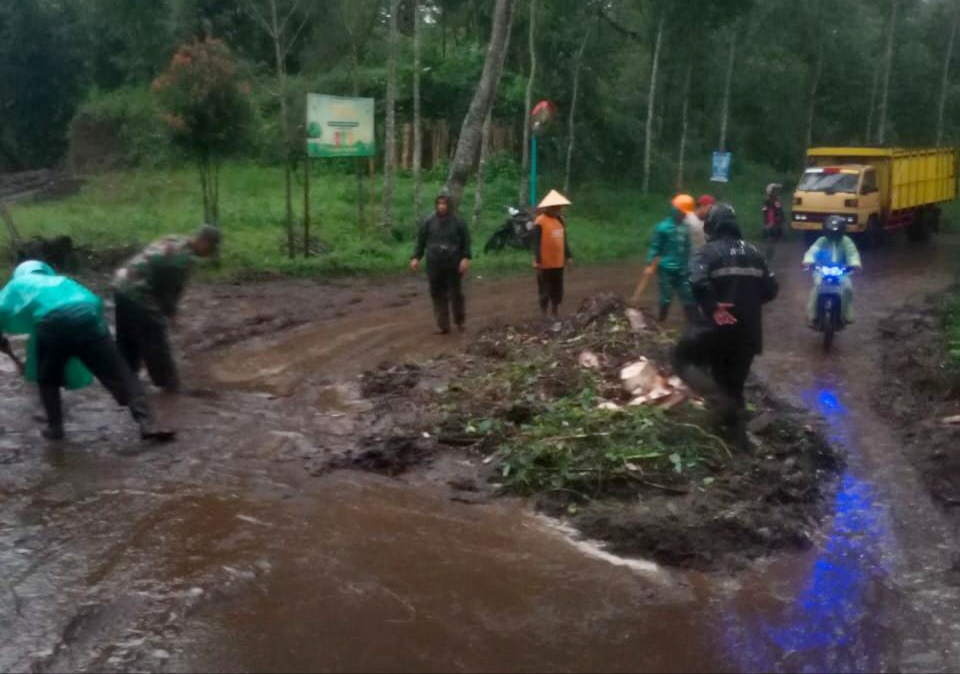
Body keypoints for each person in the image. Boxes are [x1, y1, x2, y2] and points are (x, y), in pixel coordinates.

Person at [0, 260, 174, 441]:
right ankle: (147, 423)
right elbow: (94, 303)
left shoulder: (17, 285)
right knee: (119, 373)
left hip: (53, 323)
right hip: (89, 317)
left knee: (48, 379)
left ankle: (55, 428)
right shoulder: (63, 281)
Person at [672, 203, 779, 444]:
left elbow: (697, 280)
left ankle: (720, 406)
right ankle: (737, 439)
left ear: (712, 227)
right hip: (749, 334)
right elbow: (772, 290)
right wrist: (748, 303)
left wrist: (714, 308)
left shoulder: (706, 252)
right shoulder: (755, 252)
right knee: (736, 383)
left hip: (717, 331)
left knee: (680, 357)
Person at [113, 225, 221, 393]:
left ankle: (124, 378)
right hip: (138, 292)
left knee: (128, 337)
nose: (207, 254)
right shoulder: (181, 261)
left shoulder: (174, 238)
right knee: (155, 338)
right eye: (210, 249)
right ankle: (168, 384)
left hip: (121, 285)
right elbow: (168, 294)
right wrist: (171, 316)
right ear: (204, 242)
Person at [411, 194, 472, 335]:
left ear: (449, 205)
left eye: (444, 204)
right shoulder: (429, 222)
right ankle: (442, 325)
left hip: (453, 263)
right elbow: (421, 241)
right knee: (437, 294)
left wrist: (465, 259)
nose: (441, 206)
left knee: (456, 294)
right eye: (439, 203)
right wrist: (416, 257)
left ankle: (459, 321)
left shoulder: (458, 222)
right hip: (434, 263)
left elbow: (466, 242)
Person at [645, 194, 698, 323]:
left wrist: (693, 263)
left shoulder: (685, 228)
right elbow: (655, 247)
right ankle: (660, 322)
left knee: (689, 295)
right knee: (666, 297)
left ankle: (695, 325)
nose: (684, 216)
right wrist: (649, 264)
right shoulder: (663, 228)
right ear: (675, 210)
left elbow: (688, 248)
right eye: (682, 213)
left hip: (683, 269)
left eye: (686, 213)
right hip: (666, 269)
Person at [802, 215, 862, 327]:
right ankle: (812, 315)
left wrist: (855, 264)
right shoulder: (821, 241)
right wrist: (808, 261)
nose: (834, 235)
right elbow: (812, 251)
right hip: (822, 271)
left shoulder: (846, 241)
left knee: (848, 288)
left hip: (841, 272)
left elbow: (852, 253)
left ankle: (847, 313)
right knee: (817, 289)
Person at [532, 189, 574, 320]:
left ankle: (555, 311)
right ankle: (544, 313)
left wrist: (569, 256)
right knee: (545, 288)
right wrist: (537, 260)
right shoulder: (540, 222)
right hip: (545, 263)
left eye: (559, 207)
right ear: (549, 208)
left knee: (557, 288)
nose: (559, 209)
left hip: (558, 262)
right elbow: (536, 243)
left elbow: (563, 240)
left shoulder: (560, 221)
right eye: (556, 207)